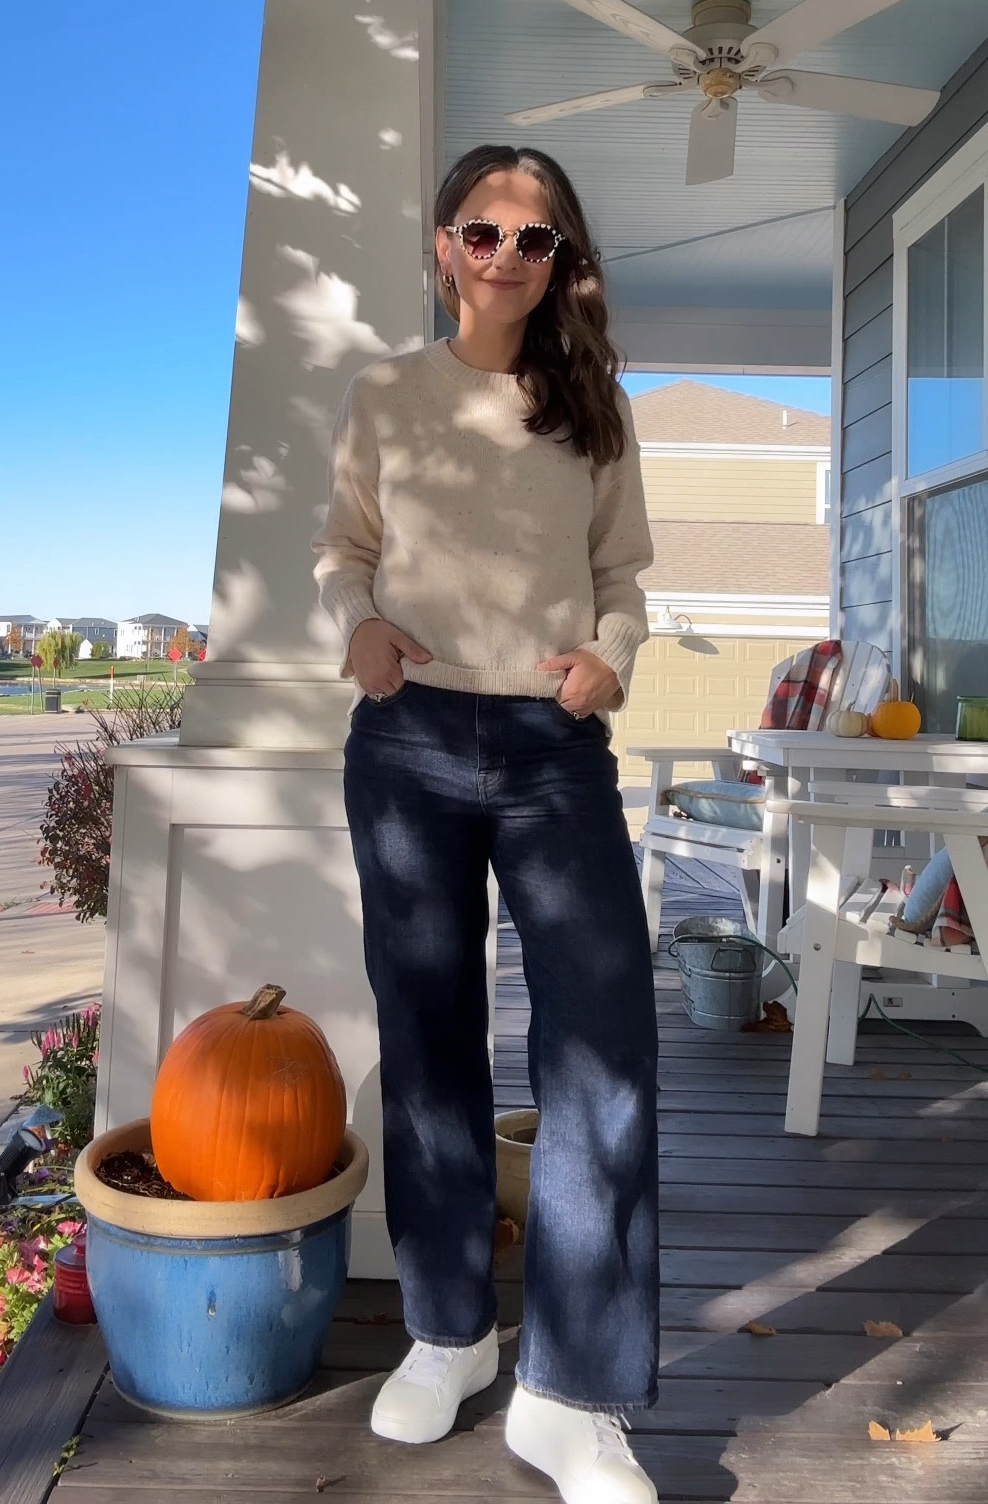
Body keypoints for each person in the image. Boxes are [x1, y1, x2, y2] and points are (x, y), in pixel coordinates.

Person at [313, 144, 659, 1504]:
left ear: (562, 257)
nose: (506, 254)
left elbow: (623, 572)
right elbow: (344, 546)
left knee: (603, 1056)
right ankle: (450, 1334)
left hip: (552, 745)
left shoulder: (592, 405)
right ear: (444, 244)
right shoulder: (387, 393)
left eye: (535, 236)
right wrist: (359, 628)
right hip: (408, 741)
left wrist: (612, 658)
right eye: (483, 230)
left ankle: (570, 1397)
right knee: (430, 1036)